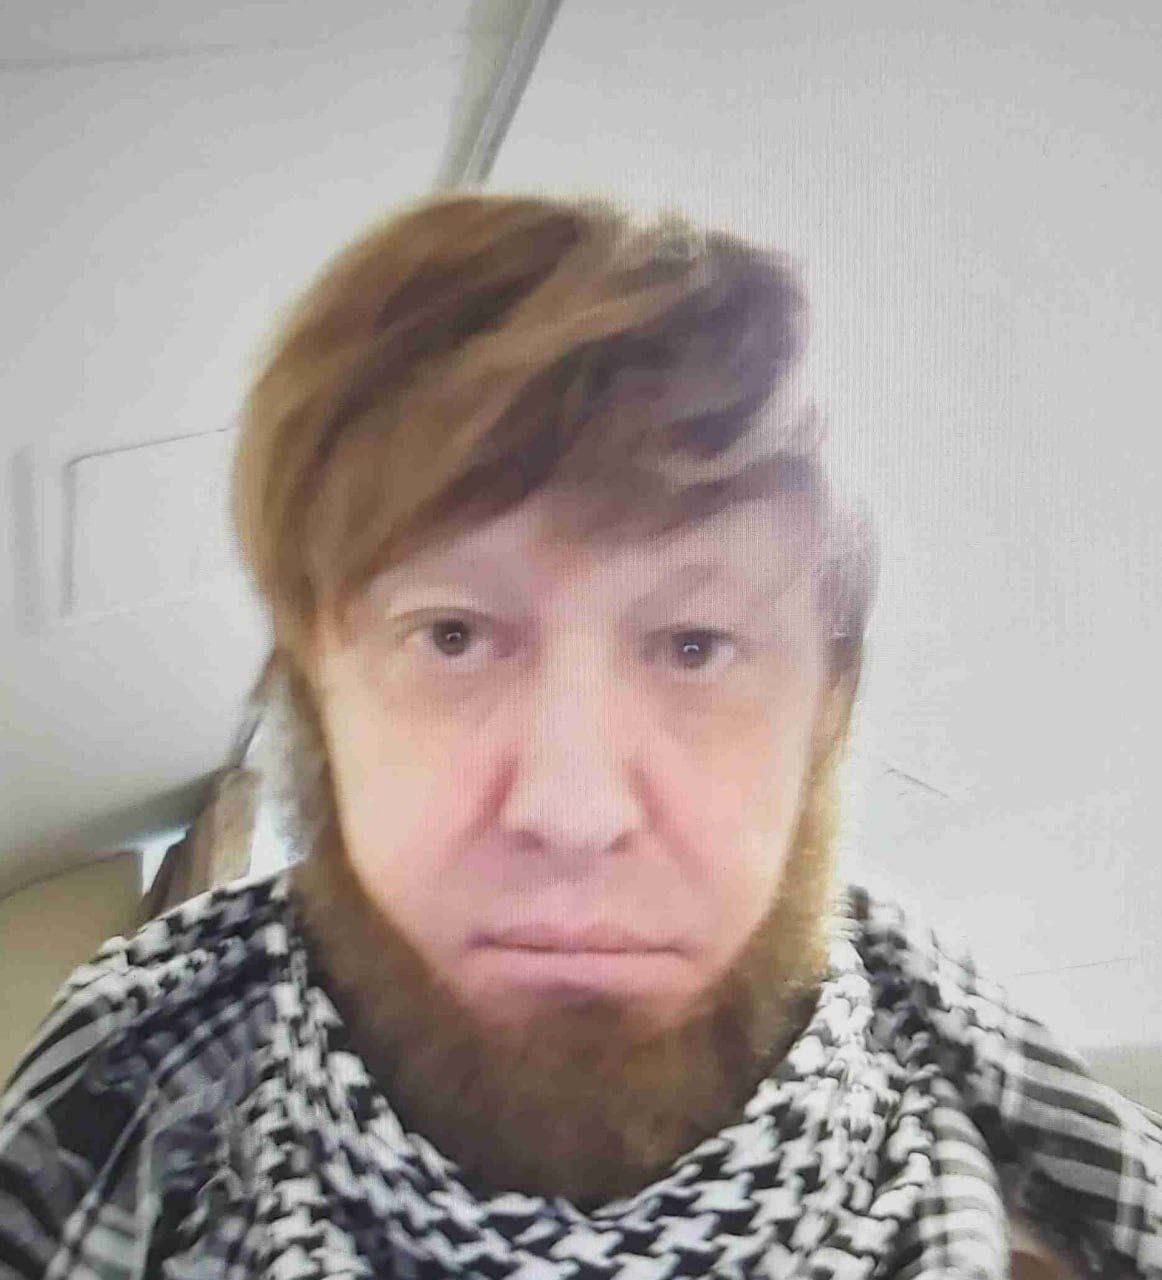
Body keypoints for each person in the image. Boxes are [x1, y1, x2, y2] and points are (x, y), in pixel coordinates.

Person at [1, 192, 1157, 1280]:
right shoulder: (116, 1083)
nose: (570, 809)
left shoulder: (1060, 1199)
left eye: (693, 645)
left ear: (826, 716)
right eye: (452, 636)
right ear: (316, 708)